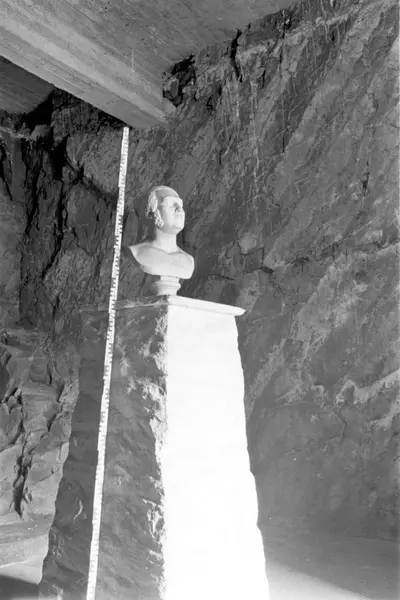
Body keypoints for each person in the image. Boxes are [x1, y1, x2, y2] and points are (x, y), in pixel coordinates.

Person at [128, 185, 194, 294]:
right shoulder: (136, 252)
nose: (179, 209)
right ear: (151, 213)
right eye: (169, 204)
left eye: (180, 204)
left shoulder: (189, 260)